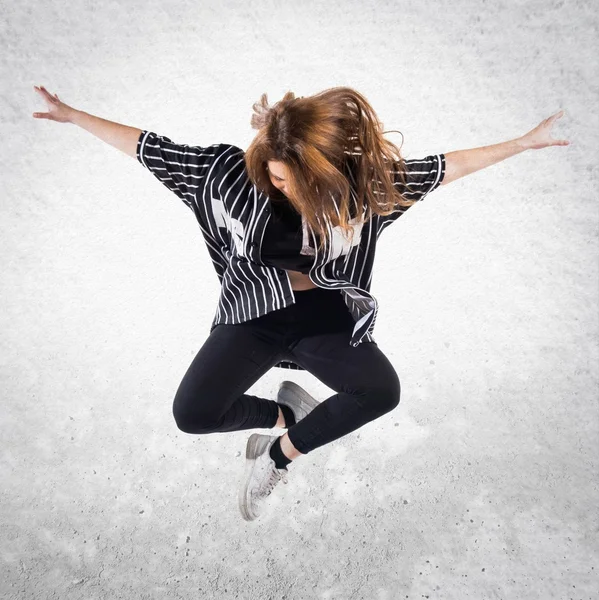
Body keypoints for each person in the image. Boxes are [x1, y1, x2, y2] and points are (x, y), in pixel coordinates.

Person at [32, 84, 569, 521]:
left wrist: (521, 144)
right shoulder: (225, 177)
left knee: (381, 391)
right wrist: (73, 115)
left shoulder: (360, 190)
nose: (287, 189)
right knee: (192, 414)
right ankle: (286, 413)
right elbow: (148, 147)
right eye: (280, 177)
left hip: (322, 320)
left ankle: (280, 455)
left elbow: (443, 169)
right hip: (256, 314)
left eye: (299, 182)